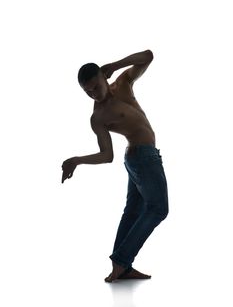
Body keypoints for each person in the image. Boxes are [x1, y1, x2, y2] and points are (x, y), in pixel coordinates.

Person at [61, 49, 169, 282]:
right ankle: (122, 260)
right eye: (87, 92)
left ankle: (122, 266)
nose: (93, 95)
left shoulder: (123, 84)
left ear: (104, 77)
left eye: (95, 87)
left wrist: (115, 64)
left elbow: (148, 56)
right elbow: (106, 155)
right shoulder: (98, 117)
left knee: (133, 212)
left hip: (141, 157)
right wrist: (77, 160)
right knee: (159, 209)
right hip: (141, 158)